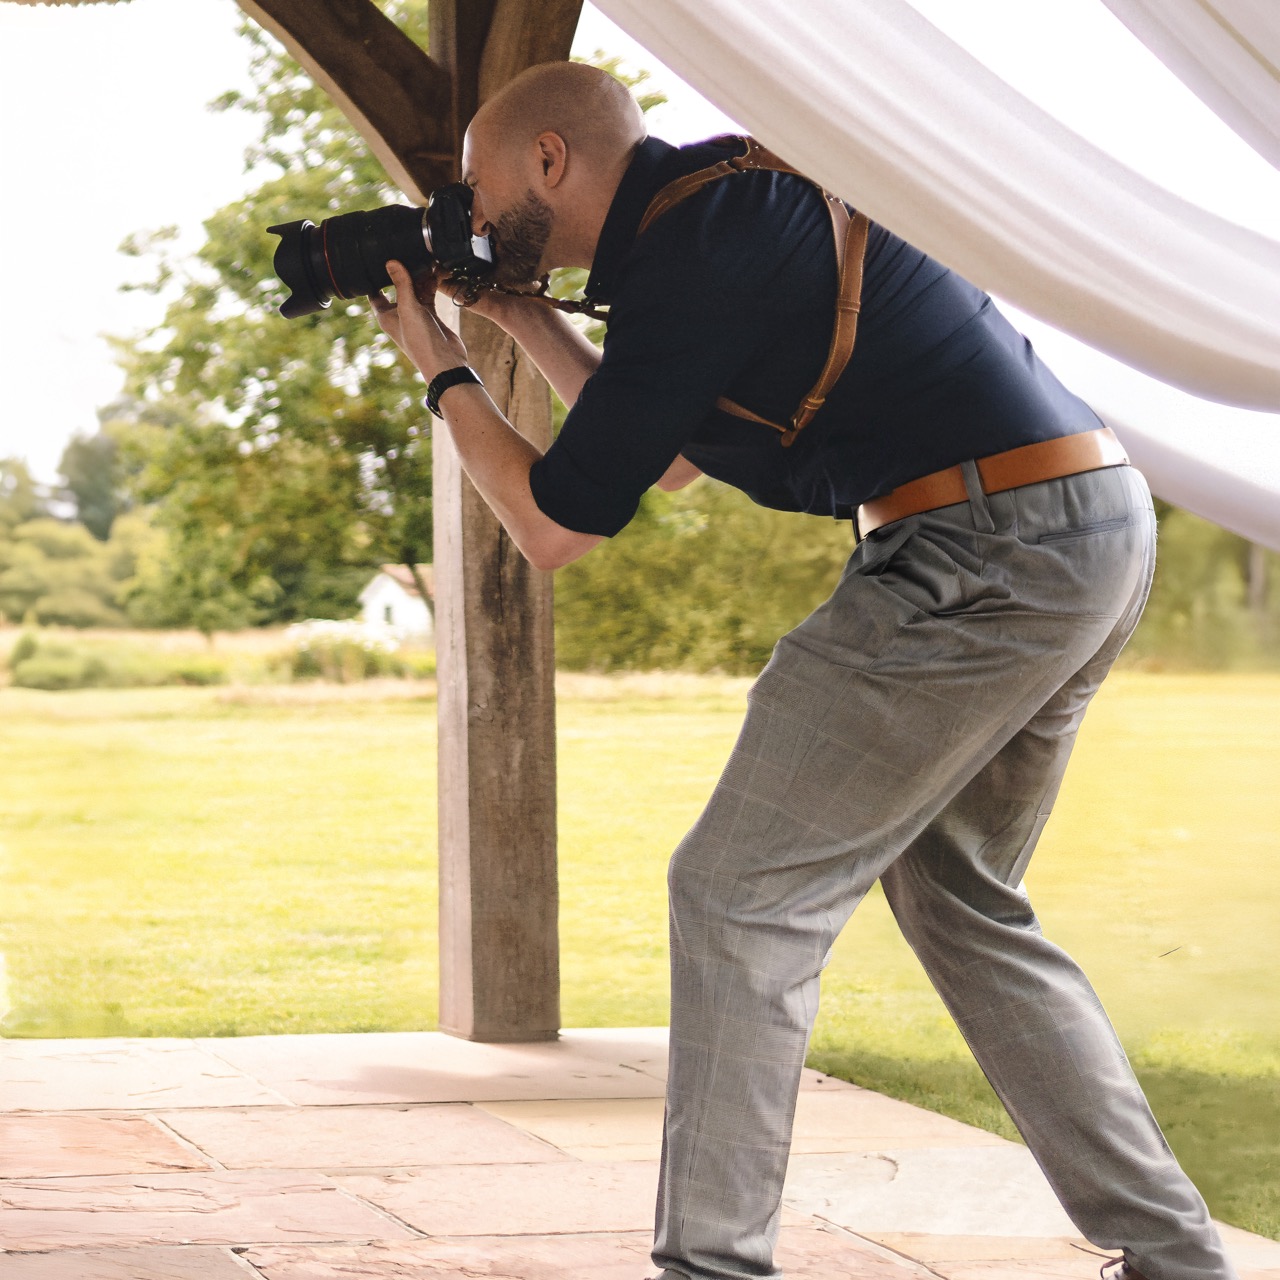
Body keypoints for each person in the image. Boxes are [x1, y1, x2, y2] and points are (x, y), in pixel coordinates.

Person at [369, 60, 1235, 1280]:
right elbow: (659, 461)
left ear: (548, 161)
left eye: (477, 185)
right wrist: (511, 315)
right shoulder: (714, 213)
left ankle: (711, 1266)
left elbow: (557, 523)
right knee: (964, 905)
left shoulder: (696, 241)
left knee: (735, 891)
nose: (464, 210)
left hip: (980, 549)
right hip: (1069, 522)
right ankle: (1175, 1257)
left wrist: (435, 363)